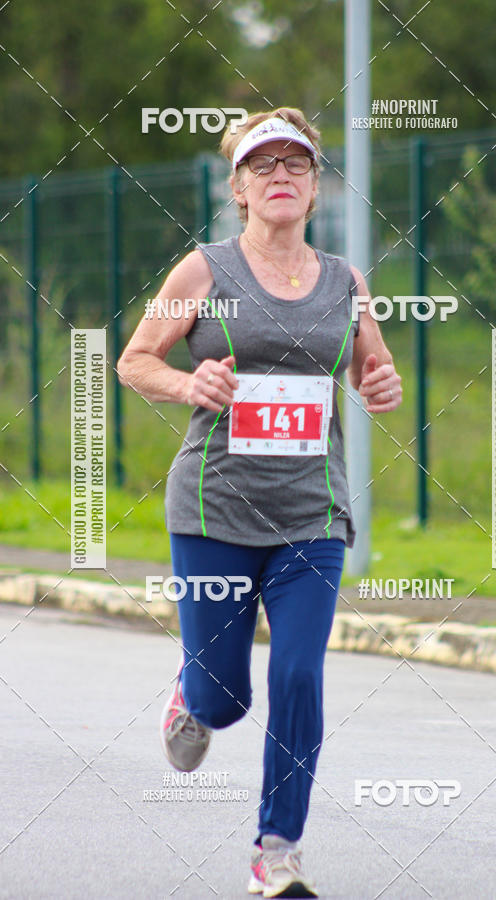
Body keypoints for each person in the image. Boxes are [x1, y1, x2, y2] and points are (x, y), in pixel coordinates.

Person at [117, 107, 402, 898]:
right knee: (225, 698)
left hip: (313, 513)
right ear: (238, 188)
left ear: (314, 186)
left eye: (296, 163)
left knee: (300, 675)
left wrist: (379, 383)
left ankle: (277, 850)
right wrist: (189, 383)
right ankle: (193, 697)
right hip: (214, 511)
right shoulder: (203, 271)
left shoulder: (346, 281)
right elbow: (135, 360)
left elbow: (371, 368)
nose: (281, 174)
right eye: (262, 164)